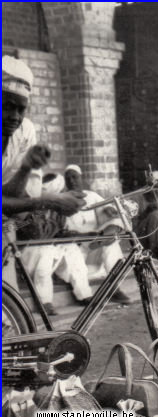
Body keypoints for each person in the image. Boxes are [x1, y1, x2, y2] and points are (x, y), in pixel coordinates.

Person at [2, 55, 85, 287]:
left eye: (21, 109)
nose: (15, 117)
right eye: (7, 107)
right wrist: (51, 201)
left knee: (9, 303)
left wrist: (26, 168)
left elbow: (12, 196)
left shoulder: (25, 130)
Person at [20, 174, 94, 315]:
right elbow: (38, 233)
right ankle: (44, 301)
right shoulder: (29, 205)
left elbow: (58, 232)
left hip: (46, 248)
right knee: (46, 252)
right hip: (26, 253)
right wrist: (57, 223)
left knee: (72, 250)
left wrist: (74, 234)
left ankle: (84, 294)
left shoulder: (57, 209)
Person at [63, 164, 131, 304]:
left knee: (111, 245)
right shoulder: (61, 199)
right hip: (75, 247)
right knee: (73, 252)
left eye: (74, 176)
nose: (72, 181)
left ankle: (114, 289)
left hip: (93, 245)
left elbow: (107, 209)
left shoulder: (91, 196)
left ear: (81, 178)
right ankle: (84, 296)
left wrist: (108, 210)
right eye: (68, 178)